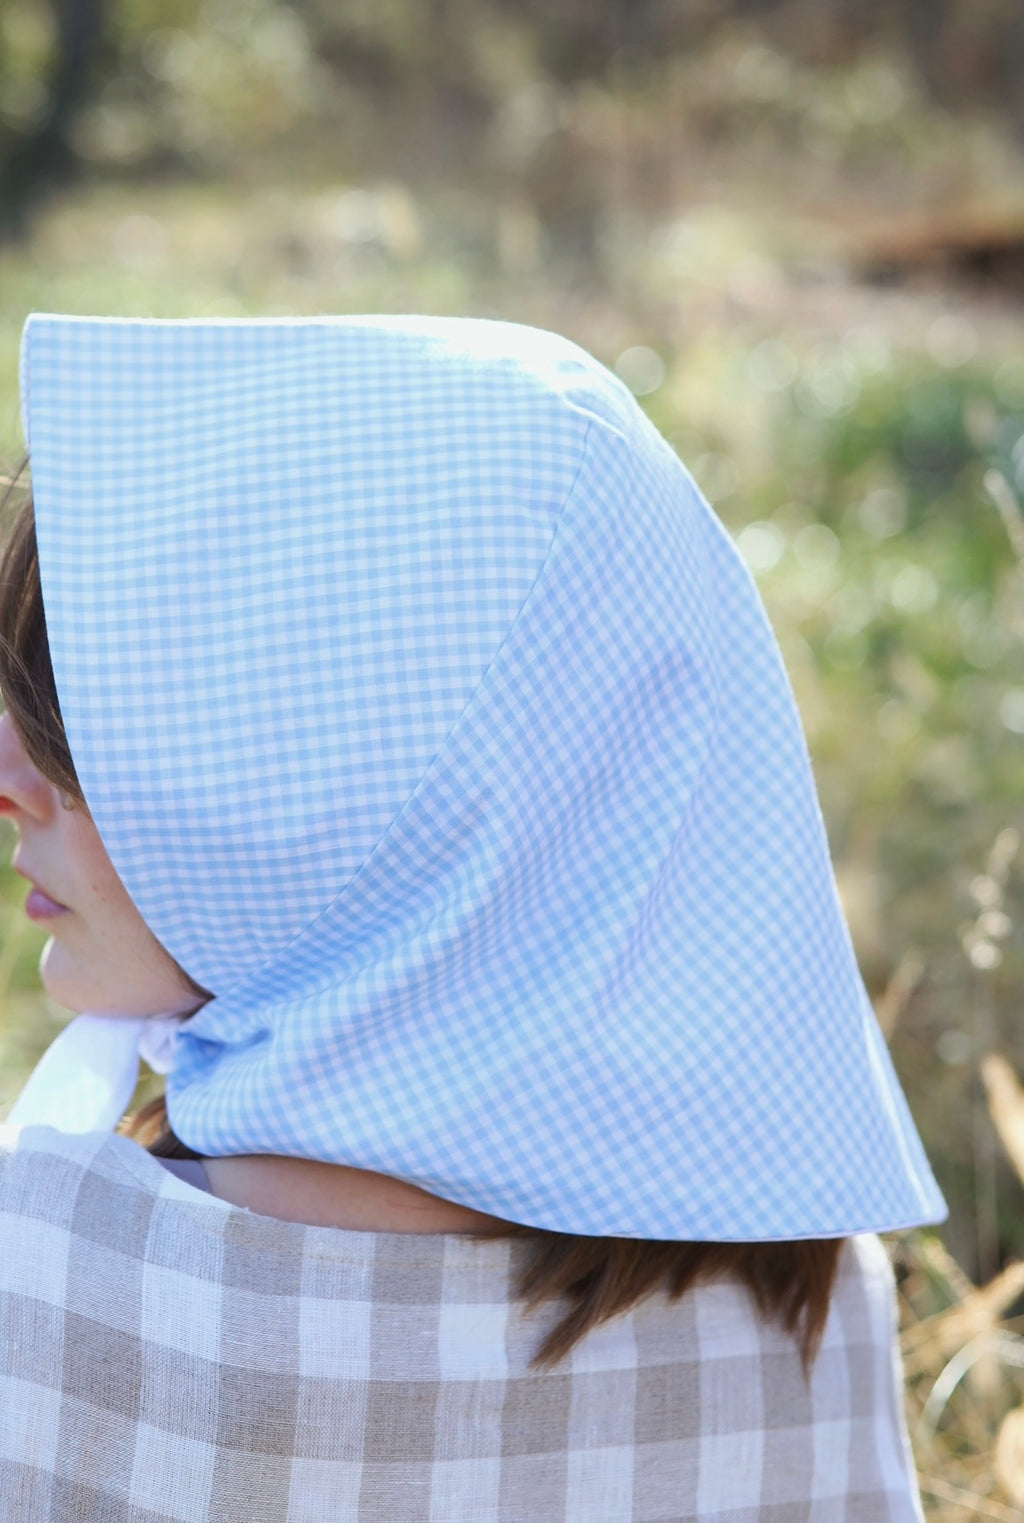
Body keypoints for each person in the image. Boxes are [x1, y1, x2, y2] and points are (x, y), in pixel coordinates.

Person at [0, 313, 943, 1521]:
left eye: (97, 717)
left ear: (347, 782)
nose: (8, 766)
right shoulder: (805, 1302)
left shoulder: (43, 1280)